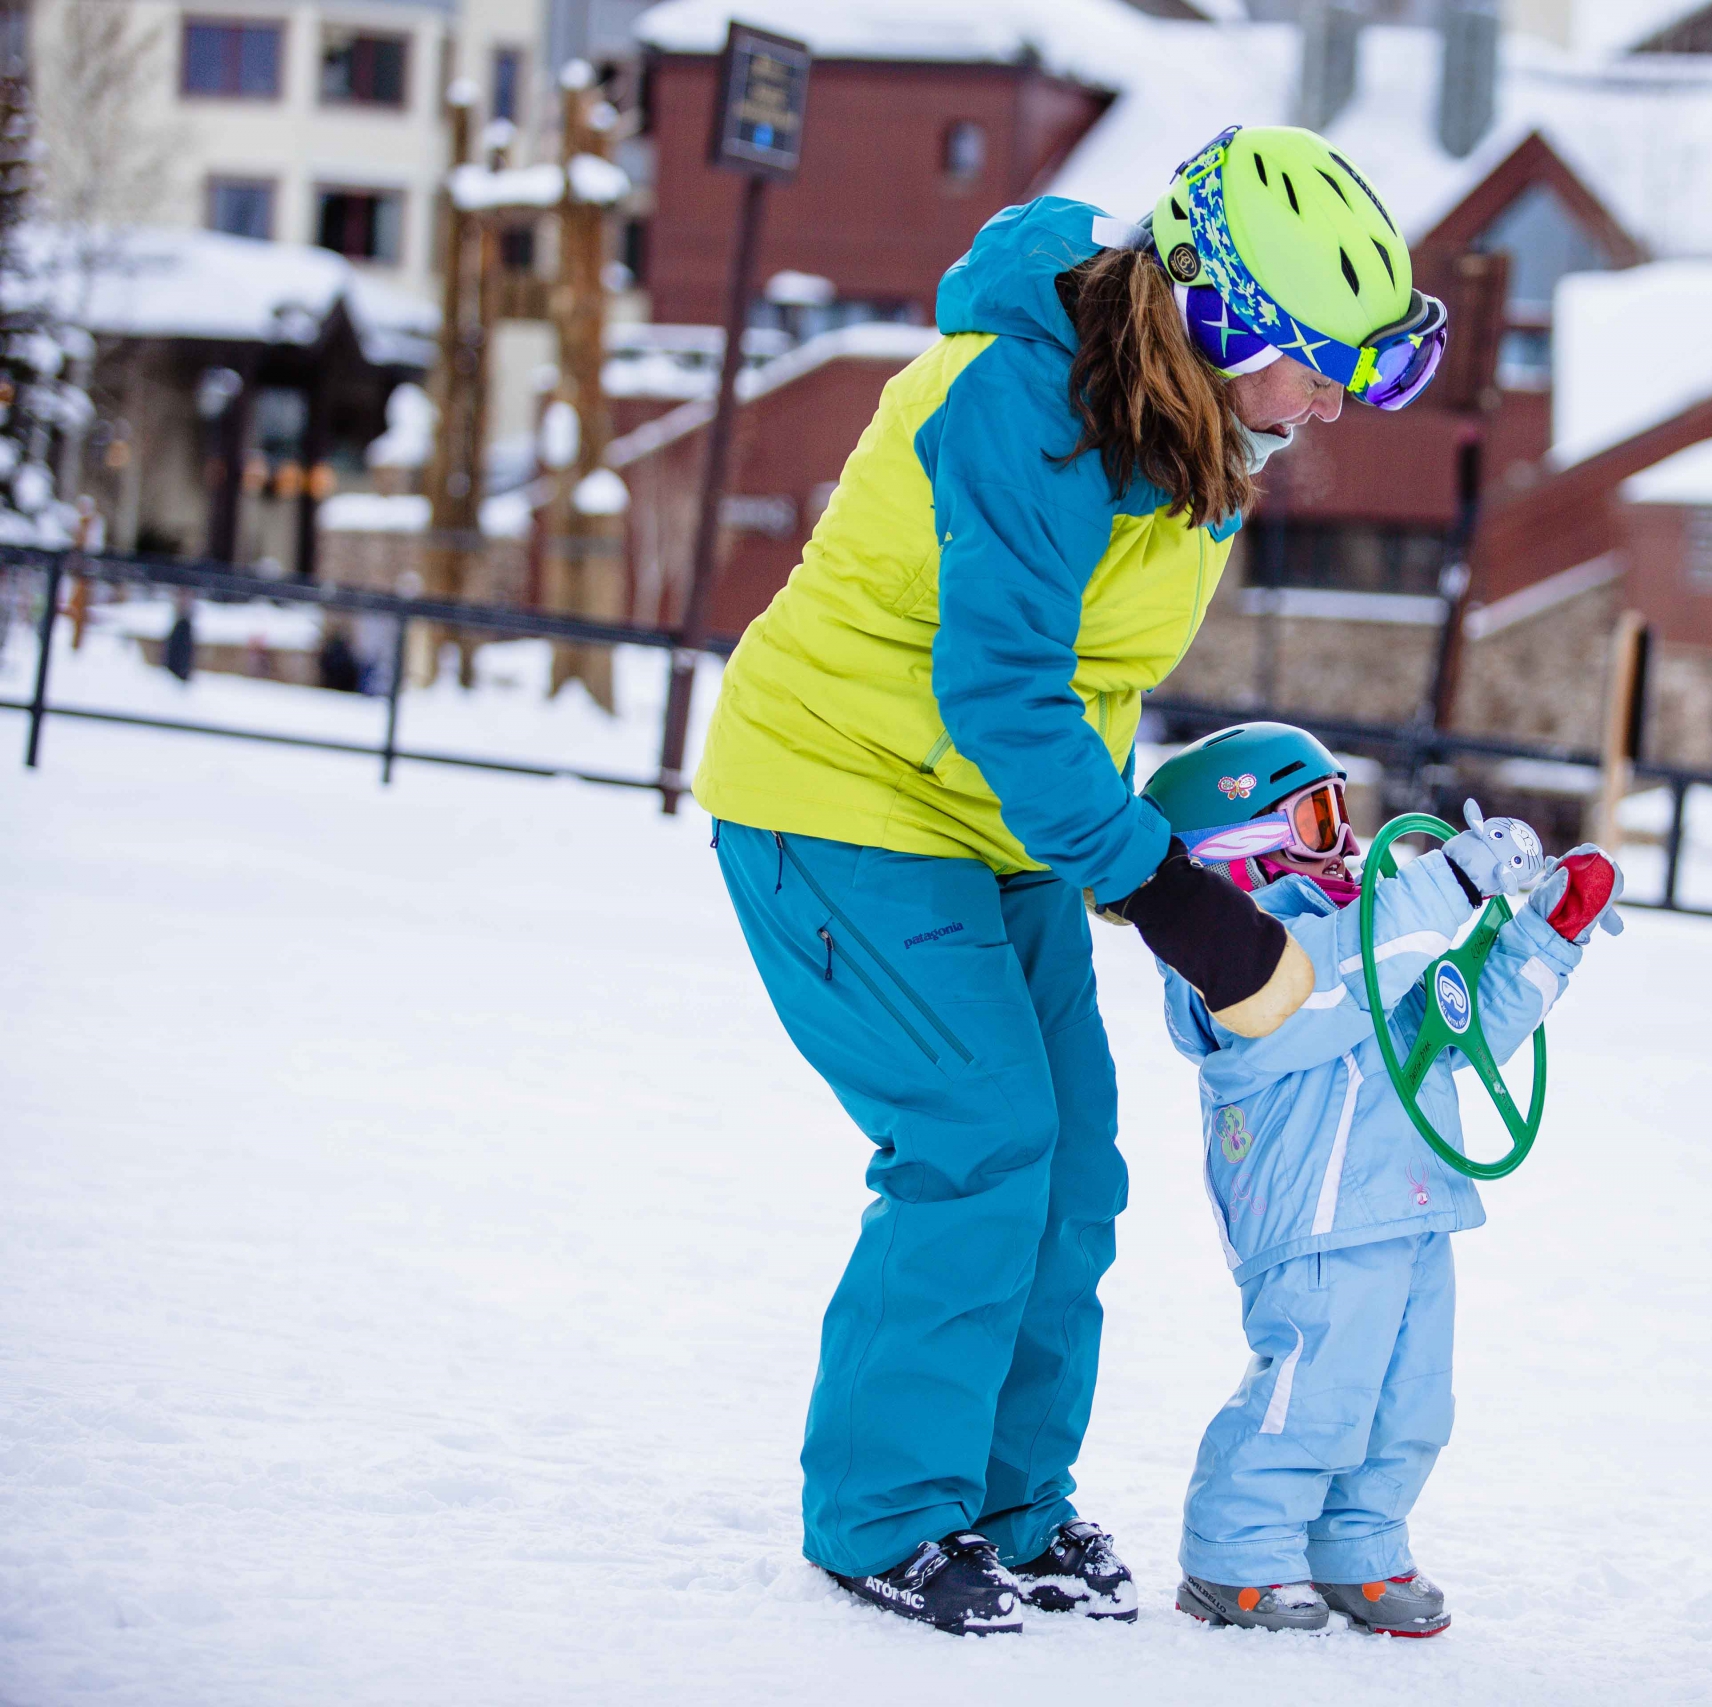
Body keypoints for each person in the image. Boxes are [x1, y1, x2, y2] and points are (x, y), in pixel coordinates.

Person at [691, 125, 1451, 1637]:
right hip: (835, 795)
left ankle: (1011, 1500)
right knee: (980, 1137)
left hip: (993, 822)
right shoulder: (1023, 405)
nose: (1334, 400)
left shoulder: (1193, 415)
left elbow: (1078, 683)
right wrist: (1168, 892)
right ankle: (886, 1514)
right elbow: (1007, 691)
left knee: (1074, 1160)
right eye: (1317, 362)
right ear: (1219, 318)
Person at [1138, 723, 1624, 1636]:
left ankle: (1356, 1545)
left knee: (1412, 1399)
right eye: (1315, 817)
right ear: (1232, 848)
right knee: (1316, 1389)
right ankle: (1236, 1548)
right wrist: (1450, 883)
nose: (1347, 839)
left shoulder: (1374, 937)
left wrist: (1545, 937)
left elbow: (1461, 1020)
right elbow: (1334, 985)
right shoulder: (1243, 957)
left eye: (1339, 810)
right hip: (1316, 1212)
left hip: (1409, 1197)